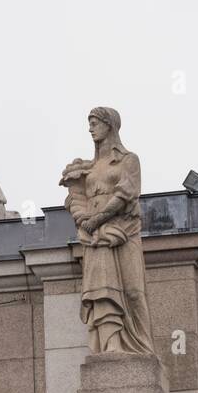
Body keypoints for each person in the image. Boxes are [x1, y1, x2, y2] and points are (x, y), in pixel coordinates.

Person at [60, 107, 156, 355]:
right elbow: (75, 197)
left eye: (95, 123)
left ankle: (144, 350)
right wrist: (84, 220)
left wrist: (98, 219)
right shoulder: (87, 167)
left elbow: (126, 193)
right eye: (89, 123)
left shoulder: (128, 160)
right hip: (95, 238)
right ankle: (109, 344)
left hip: (124, 232)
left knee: (134, 292)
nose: (90, 128)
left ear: (109, 125)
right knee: (102, 290)